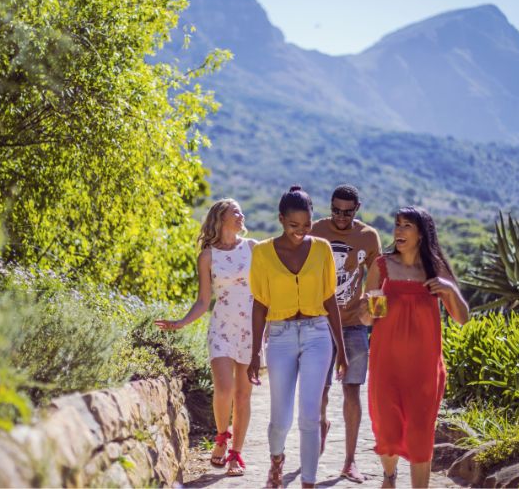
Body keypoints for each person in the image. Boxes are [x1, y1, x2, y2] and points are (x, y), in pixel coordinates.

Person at [247, 185, 348, 489]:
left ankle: (308, 483)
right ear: (280, 219)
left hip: (318, 335)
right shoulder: (262, 252)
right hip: (280, 336)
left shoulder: (322, 249)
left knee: (310, 416)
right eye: (293, 225)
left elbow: (329, 299)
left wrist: (341, 350)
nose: (300, 231)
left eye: (306, 225)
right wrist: (254, 354)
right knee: (280, 419)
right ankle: (277, 460)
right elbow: (259, 305)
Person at [362, 206, 469, 488]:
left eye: (406, 225)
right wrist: (371, 303)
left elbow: (462, 318)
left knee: (421, 436)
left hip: (424, 370)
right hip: (386, 366)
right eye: (397, 224)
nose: (398, 230)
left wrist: (449, 289)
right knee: (387, 433)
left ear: (421, 233)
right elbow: (369, 318)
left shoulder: (436, 270)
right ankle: (389, 476)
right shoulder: (382, 267)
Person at [155, 198, 254, 477]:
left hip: (251, 328)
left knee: (243, 395)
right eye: (235, 212)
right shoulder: (208, 256)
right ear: (221, 218)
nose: (241, 215)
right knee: (224, 389)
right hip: (221, 327)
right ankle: (222, 436)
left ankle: (236, 454)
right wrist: (181, 322)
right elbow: (203, 301)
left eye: (241, 211)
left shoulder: (253, 248)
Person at [310, 184, 381, 483]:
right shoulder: (315, 230)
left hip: (353, 324)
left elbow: (377, 282)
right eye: (335, 211)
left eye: (347, 212)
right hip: (319, 323)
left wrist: (375, 319)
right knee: (320, 389)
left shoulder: (368, 236)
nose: (340, 217)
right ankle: (321, 426)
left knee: (352, 389)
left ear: (357, 209)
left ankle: (350, 461)